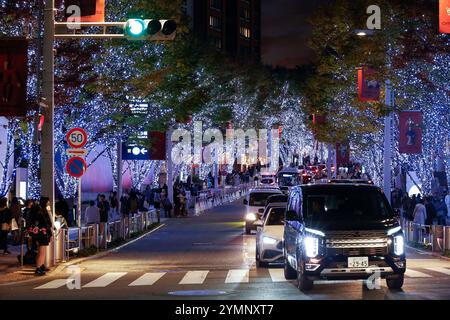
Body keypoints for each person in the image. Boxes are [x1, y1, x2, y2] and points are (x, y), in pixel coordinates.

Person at [28, 197, 53, 276]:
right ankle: (38, 268)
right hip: (42, 233)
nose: (49, 204)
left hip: (37, 233)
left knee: (40, 251)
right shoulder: (42, 211)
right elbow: (46, 223)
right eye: (48, 203)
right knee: (42, 252)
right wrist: (51, 233)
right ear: (45, 203)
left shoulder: (36, 210)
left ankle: (41, 266)